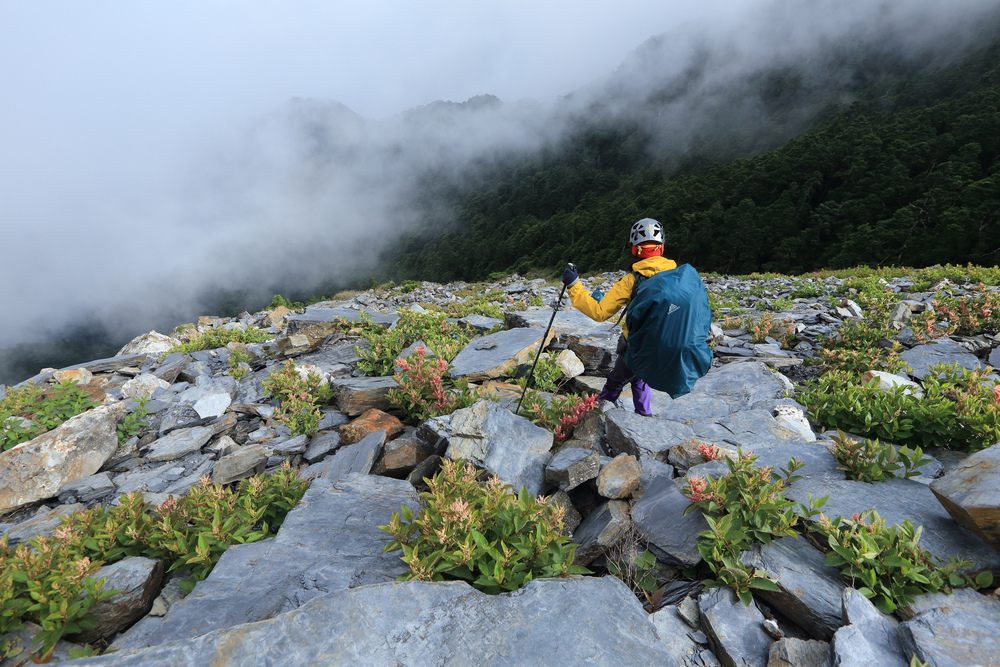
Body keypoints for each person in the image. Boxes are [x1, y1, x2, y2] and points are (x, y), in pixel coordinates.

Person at [561, 218, 676, 416]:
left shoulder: (631, 281)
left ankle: (595, 414)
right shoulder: (678, 275)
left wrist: (574, 286)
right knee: (640, 376)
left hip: (637, 347)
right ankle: (644, 414)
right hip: (668, 345)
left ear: (634, 249)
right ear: (662, 247)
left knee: (616, 379)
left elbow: (599, 312)